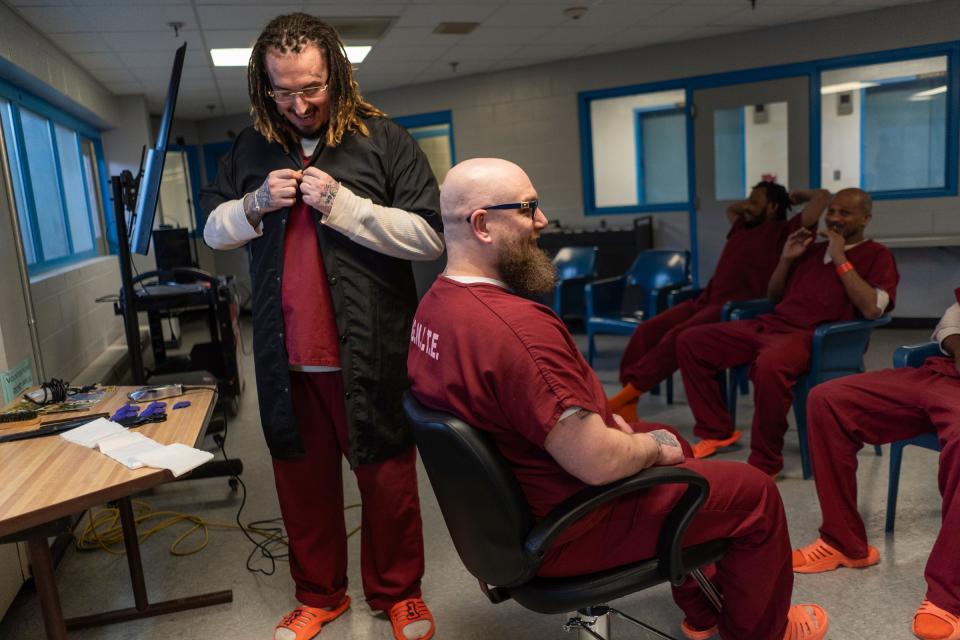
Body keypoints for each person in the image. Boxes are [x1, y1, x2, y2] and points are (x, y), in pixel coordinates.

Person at [407, 157, 829, 640]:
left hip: (511, 516)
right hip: (573, 525)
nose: (542, 221)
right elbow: (597, 464)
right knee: (755, 493)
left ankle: (703, 609)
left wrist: (627, 434)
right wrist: (648, 449)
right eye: (528, 209)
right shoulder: (516, 329)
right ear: (482, 224)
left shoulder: (435, 307)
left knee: (672, 444)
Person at [201, 13, 442, 640]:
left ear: (335, 72)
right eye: (284, 91)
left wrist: (345, 207)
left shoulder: (383, 138)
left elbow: (428, 235)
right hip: (287, 357)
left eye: (312, 87)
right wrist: (252, 205)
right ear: (263, 86)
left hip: (370, 348)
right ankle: (320, 595)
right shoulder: (252, 144)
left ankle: (399, 594)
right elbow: (211, 227)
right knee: (300, 482)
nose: (300, 104)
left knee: (386, 476)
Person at [675, 188, 899, 476]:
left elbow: (872, 309)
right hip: (773, 325)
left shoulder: (877, 255)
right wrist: (786, 258)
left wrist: (840, 256)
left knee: (770, 365)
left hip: (815, 337)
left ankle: (765, 461)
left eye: (845, 213)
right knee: (692, 341)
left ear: (865, 218)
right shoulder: (811, 250)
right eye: (831, 211)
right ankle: (716, 430)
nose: (834, 218)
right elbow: (774, 297)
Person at [793, 291, 960, 640]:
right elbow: (951, 320)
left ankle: (950, 595)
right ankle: (843, 542)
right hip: (943, 376)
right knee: (828, 400)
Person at [611, 184, 829, 421]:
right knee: (647, 330)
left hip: (735, 308)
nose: (747, 206)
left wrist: (796, 196)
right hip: (705, 300)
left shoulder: (785, 231)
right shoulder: (741, 227)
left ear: (773, 207)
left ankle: (628, 395)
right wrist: (752, 203)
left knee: (677, 336)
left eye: (755, 202)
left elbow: (823, 198)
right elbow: (732, 208)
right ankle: (629, 398)